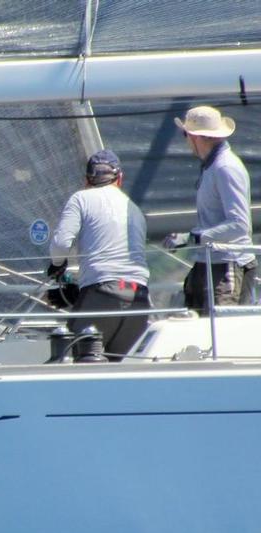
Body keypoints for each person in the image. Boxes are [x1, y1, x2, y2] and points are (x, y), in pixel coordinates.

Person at [47, 150, 151, 359]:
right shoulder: (135, 210)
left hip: (102, 295)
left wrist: (58, 264)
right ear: (119, 178)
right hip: (140, 298)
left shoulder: (81, 198)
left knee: (79, 363)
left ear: (87, 180)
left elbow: (60, 244)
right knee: (120, 373)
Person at [164, 105, 255, 312]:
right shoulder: (213, 166)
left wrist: (193, 238)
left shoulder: (225, 167)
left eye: (185, 134)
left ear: (196, 136)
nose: (185, 140)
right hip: (213, 263)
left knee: (222, 335)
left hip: (227, 265)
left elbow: (240, 225)